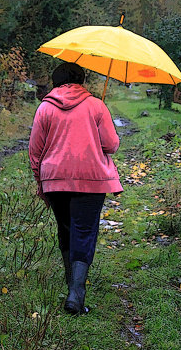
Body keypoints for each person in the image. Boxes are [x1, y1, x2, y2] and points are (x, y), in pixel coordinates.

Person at [28, 62, 122, 314]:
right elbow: (112, 144)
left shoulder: (45, 107)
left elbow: (35, 152)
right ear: (81, 80)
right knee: (84, 230)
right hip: (90, 180)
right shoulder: (96, 105)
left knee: (66, 228)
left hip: (54, 180)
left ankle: (72, 285)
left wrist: (41, 183)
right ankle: (76, 292)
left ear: (55, 81)